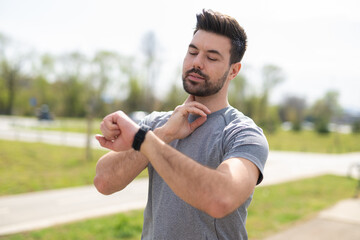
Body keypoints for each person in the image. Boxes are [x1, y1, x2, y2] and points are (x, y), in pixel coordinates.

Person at [94, 9, 269, 240]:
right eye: (192, 52)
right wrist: (163, 134)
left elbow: (220, 198)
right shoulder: (157, 125)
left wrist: (144, 140)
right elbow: (103, 181)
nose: (197, 63)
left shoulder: (242, 133)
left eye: (212, 57)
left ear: (233, 71)